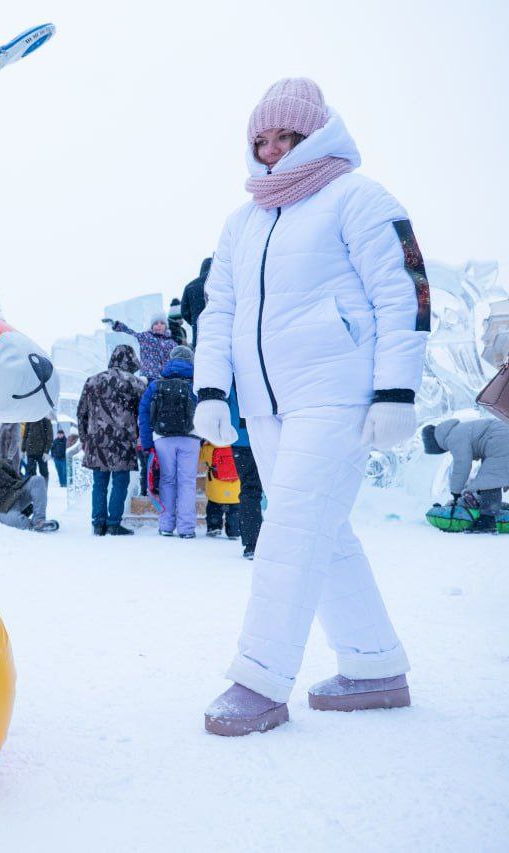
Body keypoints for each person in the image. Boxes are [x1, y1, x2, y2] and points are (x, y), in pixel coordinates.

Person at [193, 78, 429, 735]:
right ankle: (373, 662)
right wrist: (212, 390)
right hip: (269, 404)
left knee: (293, 523)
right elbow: (220, 312)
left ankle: (260, 678)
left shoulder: (357, 198)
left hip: (340, 392)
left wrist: (395, 390)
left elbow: (404, 291)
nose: (270, 151)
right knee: (323, 528)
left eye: (285, 137)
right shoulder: (242, 223)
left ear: (315, 134)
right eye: (260, 140)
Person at [78, 344, 145, 536]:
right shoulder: (135, 383)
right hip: (122, 441)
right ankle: (114, 522)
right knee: (120, 481)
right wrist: (141, 437)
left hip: (96, 441)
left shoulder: (92, 381)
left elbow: (82, 412)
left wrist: (84, 439)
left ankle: (98, 523)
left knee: (99, 483)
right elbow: (144, 413)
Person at [139, 344, 199, 538]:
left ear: (170, 359)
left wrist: (147, 443)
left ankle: (166, 525)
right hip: (191, 437)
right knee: (187, 483)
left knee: (167, 481)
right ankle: (186, 528)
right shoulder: (197, 383)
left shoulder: (156, 384)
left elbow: (144, 413)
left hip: (163, 438)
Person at [422, 418, 509, 534]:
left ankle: (487, 521)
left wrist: (456, 492)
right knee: (489, 477)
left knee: (489, 480)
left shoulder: (454, 437)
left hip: (501, 441)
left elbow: (462, 465)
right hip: (500, 438)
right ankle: (494, 510)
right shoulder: (458, 430)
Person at [0, 456, 59, 533]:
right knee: (16, 521)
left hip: (16, 492)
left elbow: (13, 473)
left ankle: (39, 520)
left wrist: (21, 485)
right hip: (2, 507)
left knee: (37, 480)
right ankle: (34, 526)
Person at [227, 388, 264, 559]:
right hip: (266, 435)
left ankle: (252, 543)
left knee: (249, 490)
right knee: (280, 488)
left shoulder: (231, 375)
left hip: (240, 439)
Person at [104, 314, 177, 379]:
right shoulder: (145, 337)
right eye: (156, 323)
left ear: (166, 326)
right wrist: (116, 325)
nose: (159, 325)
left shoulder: (171, 343)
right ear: (152, 326)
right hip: (148, 377)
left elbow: (176, 359)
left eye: (162, 323)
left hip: (165, 379)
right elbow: (130, 333)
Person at [201, 443, 240, 539]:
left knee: (213, 509)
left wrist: (204, 444)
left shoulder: (210, 448)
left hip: (216, 489)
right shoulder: (238, 448)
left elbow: (201, 457)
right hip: (235, 490)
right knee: (234, 512)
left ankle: (214, 527)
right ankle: (234, 531)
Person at [179, 257, 213, 348]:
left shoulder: (190, 286)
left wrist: (195, 321)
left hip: (199, 332)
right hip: (220, 329)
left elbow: (184, 312)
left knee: (202, 358)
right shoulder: (220, 283)